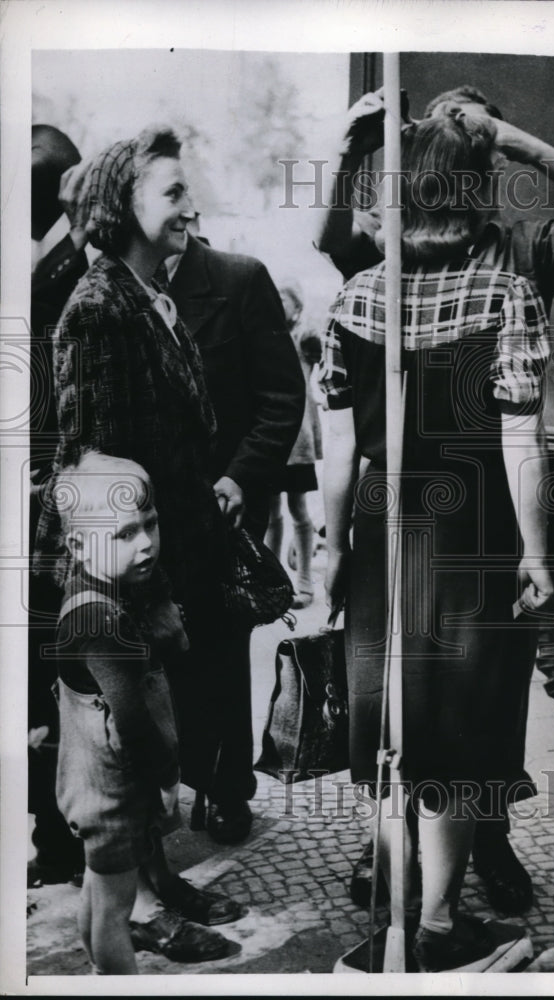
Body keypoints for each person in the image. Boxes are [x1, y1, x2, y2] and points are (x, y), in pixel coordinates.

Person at [316, 84, 554, 917]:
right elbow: (515, 440)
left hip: (432, 516)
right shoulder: (463, 289)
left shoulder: (516, 254)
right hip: (461, 520)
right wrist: (354, 150)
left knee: (433, 705)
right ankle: (425, 900)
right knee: (438, 707)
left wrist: (517, 136)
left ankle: (450, 867)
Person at [321, 107, 553, 972]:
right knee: (464, 732)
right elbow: (518, 439)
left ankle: (392, 908)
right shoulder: (504, 294)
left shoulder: (353, 295)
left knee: (390, 727)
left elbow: (338, 444)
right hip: (476, 532)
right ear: (472, 195)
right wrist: (535, 554)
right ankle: (438, 923)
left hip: (384, 529)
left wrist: (334, 548)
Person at [33, 126, 245, 957]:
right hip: (116, 580)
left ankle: (149, 897)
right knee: (125, 751)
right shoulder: (98, 310)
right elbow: (95, 475)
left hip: (158, 560)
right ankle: (134, 923)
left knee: (145, 749)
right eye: (171, 195)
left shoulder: (145, 294)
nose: (191, 207)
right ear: (120, 208)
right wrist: (145, 603)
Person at [51, 451, 226, 974]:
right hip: (114, 794)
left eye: (150, 525)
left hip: (96, 787)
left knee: (99, 897)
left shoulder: (101, 591)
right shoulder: (100, 620)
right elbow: (130, 721)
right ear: (80, 545)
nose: (147, 542)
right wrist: (165, 778)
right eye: (125, 533)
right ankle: (116, 978)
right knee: (114, 911)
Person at [164, 229, 305, 839]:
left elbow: (280, 397)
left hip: (221, 514)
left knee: (218, 654)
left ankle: (224, 787)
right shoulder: (113, 290)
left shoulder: (238, 278)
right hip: (146, 513)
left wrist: (242, 479)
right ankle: (163, 786)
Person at [28, 125, 90, 888]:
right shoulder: (64, 262)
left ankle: (61, 830)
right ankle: (56, 828)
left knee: (54, 665)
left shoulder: (69, 267)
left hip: (49, 497)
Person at [264, 281, 322, 610]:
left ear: (296, 307)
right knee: (271, 511)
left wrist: (307, 320)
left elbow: (316, 341)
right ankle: (271, 581)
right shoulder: (264, 335)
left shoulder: (301, 339)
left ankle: (303, 579)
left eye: (285, 301)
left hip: (297, 439)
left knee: (298, 509)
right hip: (271, 437)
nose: (279, 306)